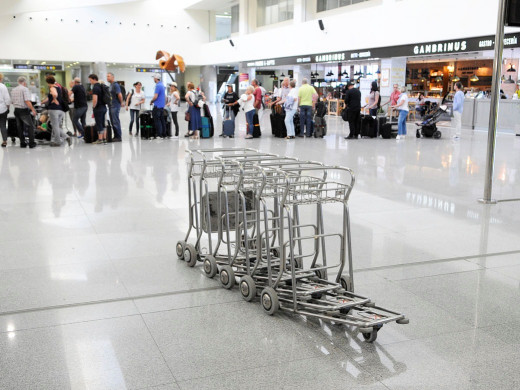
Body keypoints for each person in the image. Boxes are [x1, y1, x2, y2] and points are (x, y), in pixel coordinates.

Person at [41, 75, 71, 147]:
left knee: (54, 126)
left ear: (48, 82)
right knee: (55, 126)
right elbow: (49, 98)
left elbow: (54, 94)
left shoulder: (52, 87)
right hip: (61, 110)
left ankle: (61, 140)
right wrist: (42, 102)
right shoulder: (58, 87)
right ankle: (54, 140)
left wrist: (54, 99)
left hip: (54, 109)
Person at [11, 76, 37, 148]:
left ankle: (22, 143)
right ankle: (31, 143)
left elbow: (12, 102)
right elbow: (27, 101)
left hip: (16, 110)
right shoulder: (25, 89)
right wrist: (33, 110)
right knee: (30, 126)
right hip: (23, 111)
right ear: (24, 82)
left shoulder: (13, 90)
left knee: (20, 127)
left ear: (18, 82)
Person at [88, 74, 107, 144]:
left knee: (99, 123)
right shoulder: (102, 86)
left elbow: (95, 99)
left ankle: (100, 139)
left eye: (90, 80)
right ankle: (104, 138)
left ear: (94, 79)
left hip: (98, 108)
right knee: (103, 123)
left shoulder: (95, 88)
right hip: (104, 107)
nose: (90, 82)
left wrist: (93, 106)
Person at [107, 72, 123, 142]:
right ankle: (115, 136)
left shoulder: (115, 85)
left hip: (115, 106)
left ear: (113, 77)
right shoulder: (111, 85)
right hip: (111, 105)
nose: (107, 78)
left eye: (109, 76)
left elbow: (119, 95)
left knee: (115, 121)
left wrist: (121, 103)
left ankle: (118, 136)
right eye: (107, 76)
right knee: (112, 121)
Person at [150, 73, 166, 138]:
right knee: (162, 120)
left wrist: (151, 101)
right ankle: (163, 134)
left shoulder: (158, 86)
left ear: (156, 78)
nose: (153, 79)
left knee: (157, 120)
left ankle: (159, 134)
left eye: (154, 78)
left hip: (157, 106)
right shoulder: (162, 85)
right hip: (161, 105)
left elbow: (155, 96)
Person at [0, 73, 12, 147]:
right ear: (1, 78)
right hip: (2, 109)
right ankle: (4, 141)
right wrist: (8, 107)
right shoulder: (3, 86)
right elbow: (7, 99)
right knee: (3, 125)